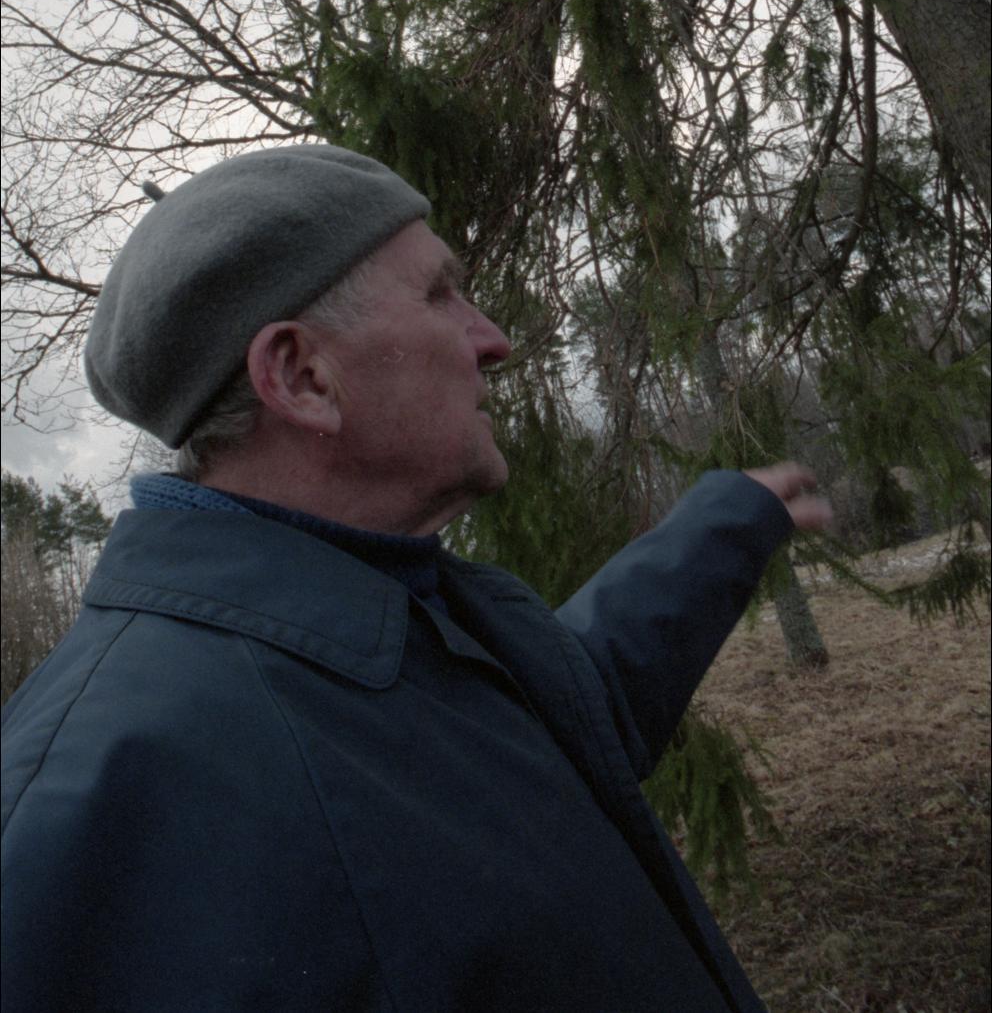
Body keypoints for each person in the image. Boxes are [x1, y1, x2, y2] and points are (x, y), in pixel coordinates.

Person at [2, 144, 831, 1013]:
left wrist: (726, 525)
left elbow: (537, 732)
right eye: (440, 295)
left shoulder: (377, 613)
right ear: (302, 376)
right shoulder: (100, 802)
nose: (494, 340)